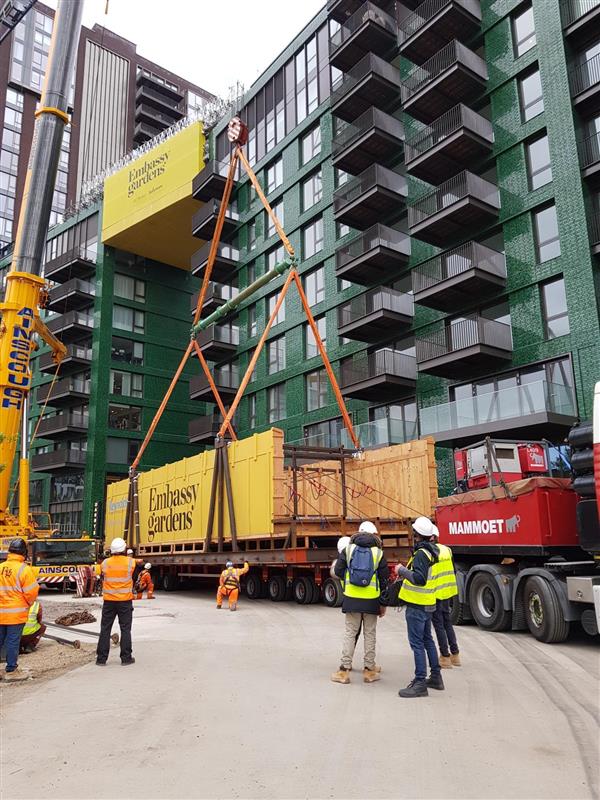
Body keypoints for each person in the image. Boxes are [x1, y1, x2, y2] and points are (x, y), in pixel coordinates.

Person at [331, 521, 388, 685]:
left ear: (359, 532)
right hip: (372, 600)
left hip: (352, 598)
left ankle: (344, 671)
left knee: (350, 633)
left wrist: (350, 579)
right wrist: (383, 603)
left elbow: (338, 571)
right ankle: (369, 671)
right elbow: (384, 579)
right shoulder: (378, 552)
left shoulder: (348, 549)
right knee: (370, 633)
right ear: (374, 535)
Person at [396, 517, 444, 698]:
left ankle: (420, 682)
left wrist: (401, 570)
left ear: (417, 535)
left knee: (417, 643)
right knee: (427, 640)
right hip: (428, 602)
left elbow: (420, 579)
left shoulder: (422, 554)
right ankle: (436, 677)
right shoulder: (433, 552)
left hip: (417, 604)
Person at [0, 537, 39, 680]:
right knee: (12, 641)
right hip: (15, 614)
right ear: (23, 553)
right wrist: (27, 604)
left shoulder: (1, 567)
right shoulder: (24, 570)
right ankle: (11, 669)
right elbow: (32, 592)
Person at [96, 537, 136, 666]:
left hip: (109, 602)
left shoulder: (105, 563)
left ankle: (101, 659)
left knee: (105, 629)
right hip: (125, 601)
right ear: (124, 549)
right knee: (125, 629)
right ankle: (126, 658)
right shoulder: (130, 562)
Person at [431, 526, 460, 668]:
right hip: (447, 591)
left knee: (439, 625)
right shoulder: (447, 550)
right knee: (447, 622)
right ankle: (455, 655)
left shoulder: (431, 552)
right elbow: (453, 570)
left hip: (436, 592)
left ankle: (444, 657)